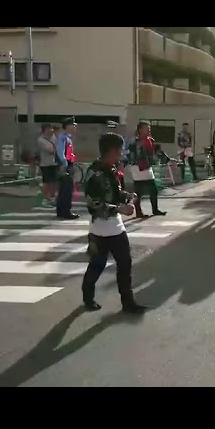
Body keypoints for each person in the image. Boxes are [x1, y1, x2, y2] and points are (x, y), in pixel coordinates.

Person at [81, 132, 146, 314]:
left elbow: (116, 193)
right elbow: (93, 203)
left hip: (116, 228)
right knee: (97, 265)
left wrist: (128, 196)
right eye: (120, 149)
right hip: (100, 230)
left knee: (125, 264)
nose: (122, 153)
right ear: (112, 150)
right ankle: (88, 296)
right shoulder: (94, 173)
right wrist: (119, 208)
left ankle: (128, 302)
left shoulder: (111, 169)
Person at [127, 121, 166, 218]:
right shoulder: (134, 142)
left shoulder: (150, 140)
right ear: (140, 130)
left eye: (149, 128)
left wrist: (168, 160)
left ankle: (155, 209)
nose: (149, 130)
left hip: (147, 167)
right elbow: (130, 155)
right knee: (139, 191)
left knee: (153, 189)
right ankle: (139, 212)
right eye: (146, 128)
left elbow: (158, 152)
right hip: (138, 167)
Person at [55, 116, 79, 220]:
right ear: (68, 126)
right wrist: (64, 165)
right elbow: (61, 152)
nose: (75, 127)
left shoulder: (67, 137)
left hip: (68, 164)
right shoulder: (63, 138)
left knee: (64, 189)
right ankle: (65, 211)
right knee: (66, 189)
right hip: (65, 166)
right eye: (73, 125)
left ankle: (61, 211)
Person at [37, 123, 58, 208]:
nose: (52, 130)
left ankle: (52, 199)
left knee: (53, 182)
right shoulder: (41, 140)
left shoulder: (53, 137)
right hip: (45, 164)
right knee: (46, 182)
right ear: (45, 130)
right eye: (50, 129)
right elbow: (51, 150)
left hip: (54, 163)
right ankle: (46, 199)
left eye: (52, 129)